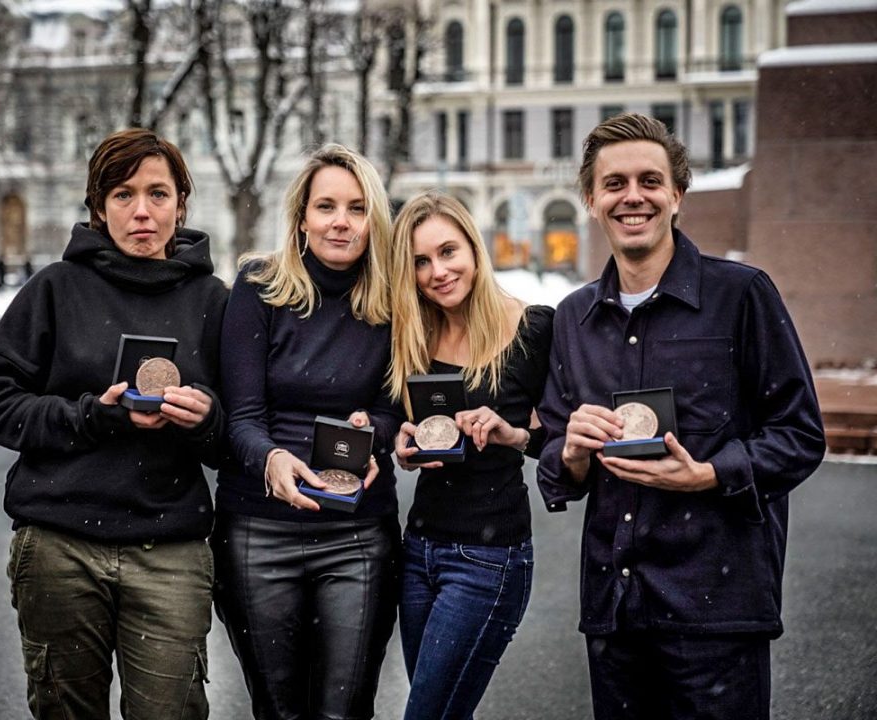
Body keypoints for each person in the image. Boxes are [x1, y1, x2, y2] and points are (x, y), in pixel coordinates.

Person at [536, 113, 826, 720]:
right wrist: (571, 453)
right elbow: (557, 458)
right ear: (590, 199)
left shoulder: (741, 296)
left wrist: (711, 474)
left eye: (649, 180)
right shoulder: (572, 319)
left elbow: (800, 435)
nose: (632, 196)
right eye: (614, 184)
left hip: (716, 612)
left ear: (677, 195)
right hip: (616, 612)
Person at [0, 129, 226, 719]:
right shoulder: (55, 289)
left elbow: (238, 431)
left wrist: (205, 418)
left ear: (181, 204)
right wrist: (91, 416)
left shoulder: (213, 300)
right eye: (122, 194)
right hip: (61, 543)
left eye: (158, 194)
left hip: (170, 549)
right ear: (97, 206)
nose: (142, 211)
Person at [214, 143, 402, 720]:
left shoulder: (396, 297)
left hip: (358, 534)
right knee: (280, 710)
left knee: (345, 710)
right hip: (259, 531)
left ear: (375, 219)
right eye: (326, 206)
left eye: (356, 207)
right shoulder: (260, 286)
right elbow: (241, 418)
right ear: (301, 217)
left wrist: (382, 430)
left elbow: (399, 405)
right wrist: (270, 459)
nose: (341, 222)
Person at [386, 191, 553, 720]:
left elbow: (567, 440)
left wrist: (515, 435)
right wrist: (401, 445)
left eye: (448, 251)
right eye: (420, 261)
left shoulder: (534, 328)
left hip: (489, 558)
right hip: (419, 552)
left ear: (475, 250)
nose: (437, 271)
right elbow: (392, 416)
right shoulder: (414, 333)